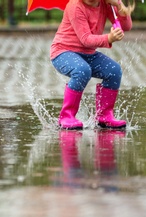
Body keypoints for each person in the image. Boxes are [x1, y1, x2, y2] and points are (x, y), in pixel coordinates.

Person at [50, 0, 135, 130]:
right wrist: (109, 38)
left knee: (114, 71)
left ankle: (104, 116)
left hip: (88, 53)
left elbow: (126, 26)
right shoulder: (75, 6)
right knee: (82, 70)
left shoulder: (106, 4)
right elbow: (86, 39)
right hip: (63, 52)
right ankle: (66, 116)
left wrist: (118, 4)